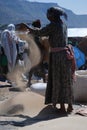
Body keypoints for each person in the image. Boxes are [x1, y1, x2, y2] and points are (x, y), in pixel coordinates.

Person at [24, 7, 75, 112]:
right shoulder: (64, 25)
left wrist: (27, 27)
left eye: (48, 14)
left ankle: (61, 107)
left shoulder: (53, 26)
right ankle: (70, 105)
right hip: (66, 56)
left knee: (58, 80)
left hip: (57, 57)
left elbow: (39, 32)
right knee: (67, 80)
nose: (47, 16)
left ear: (52, 16)